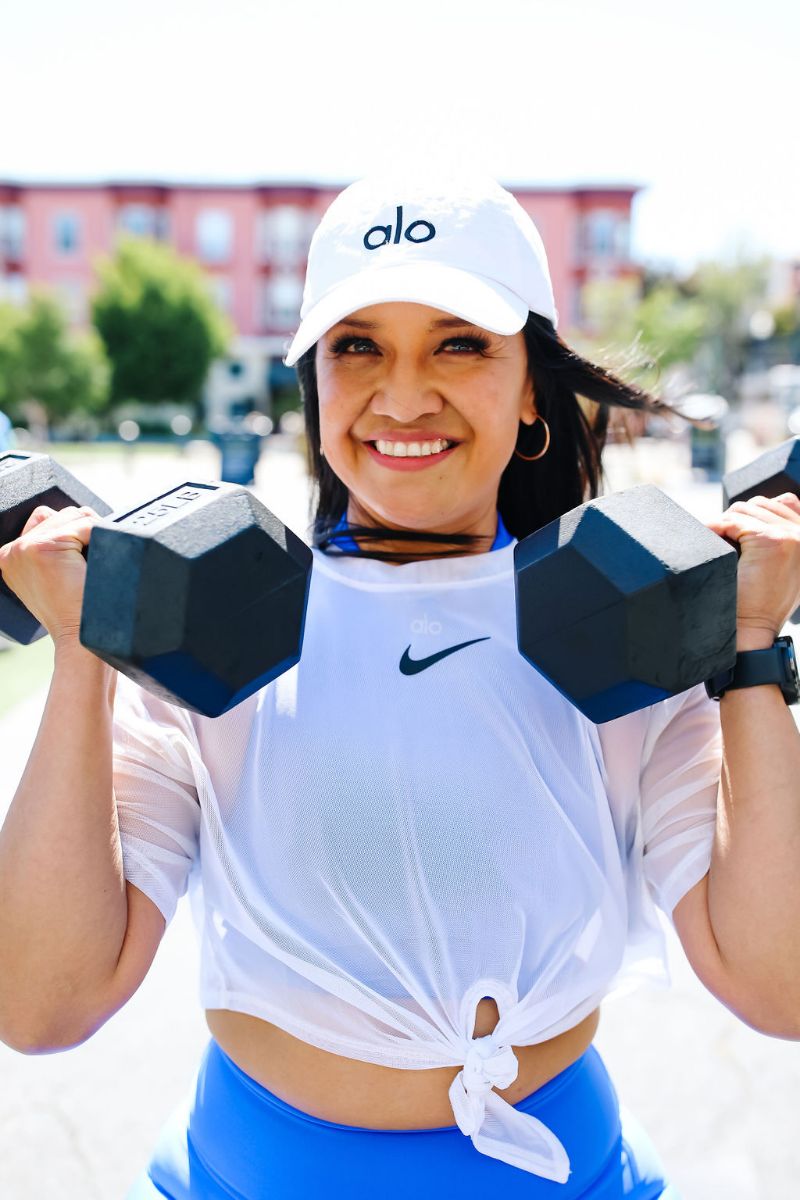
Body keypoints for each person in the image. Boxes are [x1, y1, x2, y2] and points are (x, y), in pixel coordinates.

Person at [1, 172, 800, 1200]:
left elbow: (777, 985)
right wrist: (83, 654)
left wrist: (747, 647)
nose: (404, 392)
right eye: (357, 345)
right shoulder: (211, 621)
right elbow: (39, 1003)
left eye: (459, 342)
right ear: (314, 381)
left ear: (527, 386)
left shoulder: (631, 620)